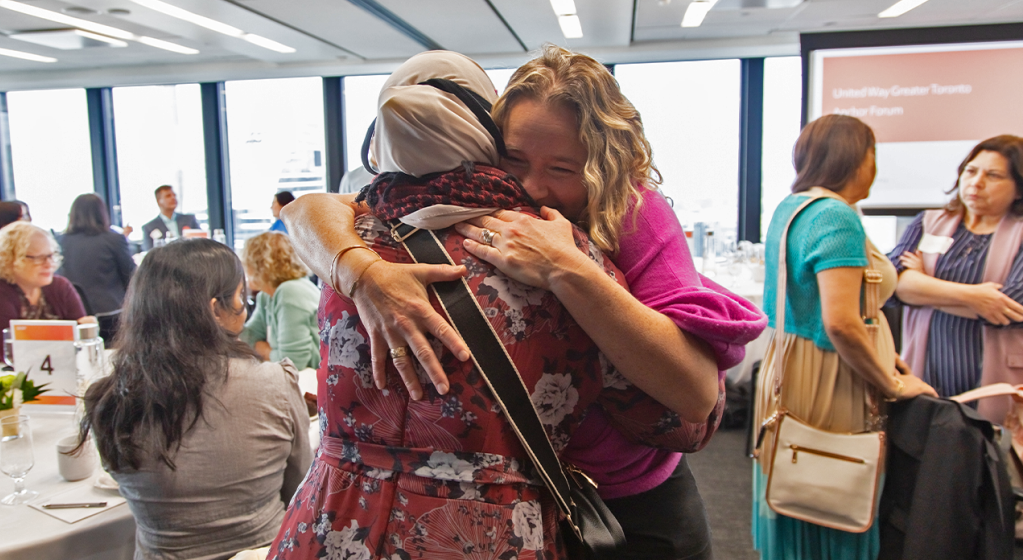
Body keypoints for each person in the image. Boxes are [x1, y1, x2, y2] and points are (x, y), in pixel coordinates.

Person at [281, 45, 767, 559]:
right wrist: (363, 271)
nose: (535, 188)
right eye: (515, 159)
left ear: (603, 166)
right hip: (536, 495)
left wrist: (568, 268)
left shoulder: (632, 214)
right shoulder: (446, 213)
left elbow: (694, 399)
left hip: (631, 497)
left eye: (562, 168)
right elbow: (310, 211)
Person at [752, 114, 936, 560]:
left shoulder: (793, 206)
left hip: (792, 364)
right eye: (874, 154)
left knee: (801, 479)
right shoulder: (837, 216)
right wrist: (889, 384)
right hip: (831, 373)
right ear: (856, 157)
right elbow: (841, 323)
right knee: (836, 484)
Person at [78, 238, 312, 560]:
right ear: (216, 309)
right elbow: (302, 491)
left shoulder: (106, 399)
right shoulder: (273, 384)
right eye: (241, 297)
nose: (244, 307)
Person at [888, 135, 1023, 422]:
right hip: (926, 376)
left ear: (1018, 189)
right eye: (971, 171)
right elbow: (893, 285)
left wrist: (923, 286)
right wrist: (976, 297)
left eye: (993, 175)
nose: (976, 182)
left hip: (996, 385)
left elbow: (1010, 307)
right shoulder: (929, 221)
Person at [0, 221, 95, 362]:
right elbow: (9, 353)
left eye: (50, 256)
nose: (49, 264)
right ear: (10, 259)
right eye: (38, 258)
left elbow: (81, 342)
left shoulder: (60, 286)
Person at [57, 194, 135, 345]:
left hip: (75, 315)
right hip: (112, 315)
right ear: (102, 213)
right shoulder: (113, 239)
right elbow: (130, 275)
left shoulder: (60, 241)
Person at [241, 231, 321, 370]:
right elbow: (248, 338)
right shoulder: (266, 295)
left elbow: (293, 361)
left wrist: (264, 350)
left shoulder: (291, 291)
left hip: (313, 380)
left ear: (261, 265)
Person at [141, 184, 200, 251]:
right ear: (159, 201)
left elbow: (201, 241)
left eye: (174, 195)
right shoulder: (149, 227)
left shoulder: (189, 219)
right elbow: (149, 251)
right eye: (168, 196)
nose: (173, 198)